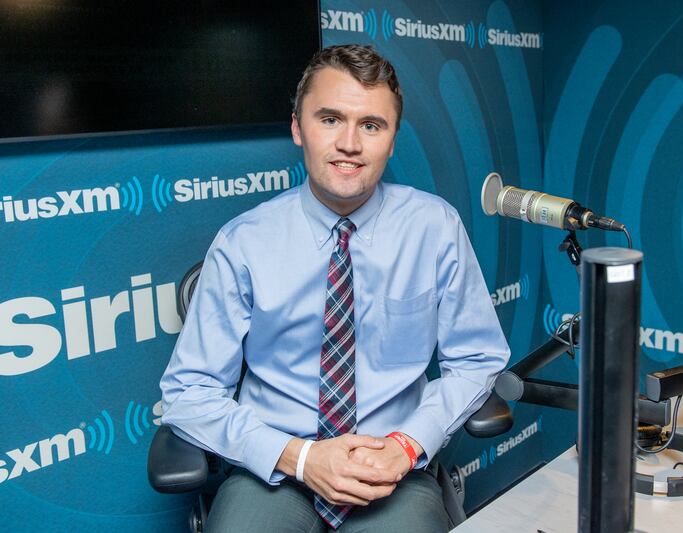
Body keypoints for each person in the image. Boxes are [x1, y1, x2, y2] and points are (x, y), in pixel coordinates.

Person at [159, 44, 510, 533]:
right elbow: (188, 391)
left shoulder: (435, 228)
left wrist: (407, 445)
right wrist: (300, 458)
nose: (350, 143)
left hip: (395, 469)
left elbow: (476, 360)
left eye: (371, 125)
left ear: (392, 140)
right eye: (329, 119)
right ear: (298, 128)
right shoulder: (243, 243)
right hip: (275, 471)